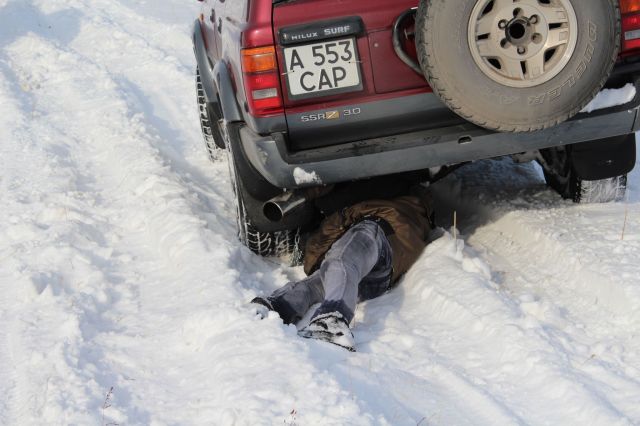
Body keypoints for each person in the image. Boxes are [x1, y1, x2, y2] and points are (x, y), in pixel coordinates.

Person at [252, 187, 434, 352]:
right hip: (378, 277)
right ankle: (276, 307)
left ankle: (333, 321)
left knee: (340, 262)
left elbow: (337, 217)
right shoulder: (412, 209)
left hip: (380, 231)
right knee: (324, 279)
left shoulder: (382, 205)